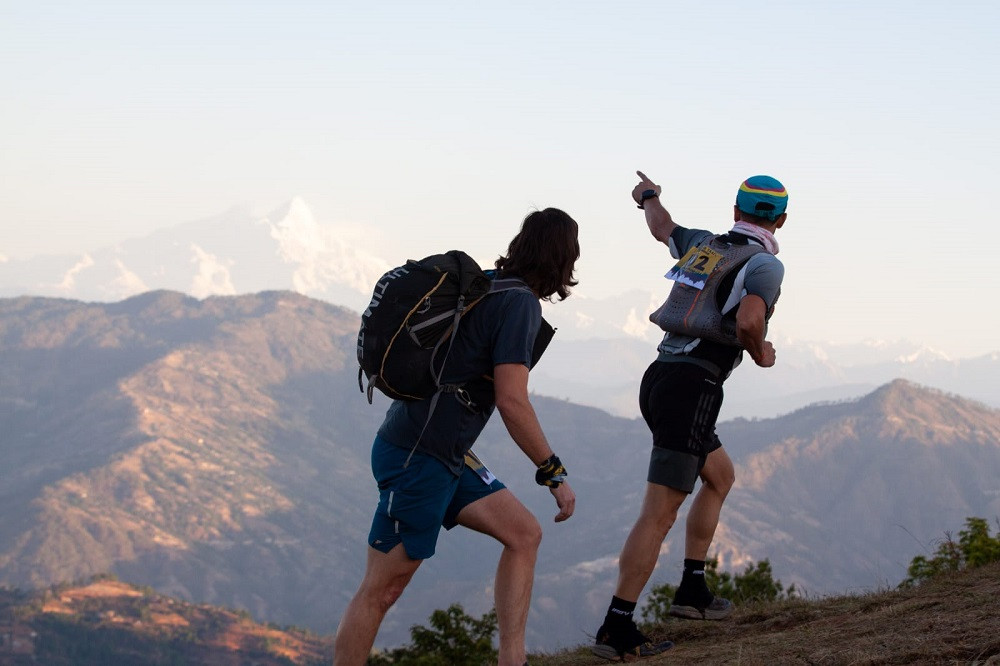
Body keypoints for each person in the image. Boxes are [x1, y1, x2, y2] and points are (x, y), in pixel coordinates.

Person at [335, 208, 580, 666]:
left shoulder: (486, 283)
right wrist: (553, 472)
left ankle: (514, 660)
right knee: (380, 591)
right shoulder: (519, 303)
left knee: (523, 534)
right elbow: (512, 401)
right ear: (563, 260)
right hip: (417, 457)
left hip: (442, 452)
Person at [592, 171, 788, 661]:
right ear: (782, 220)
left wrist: (648, 197)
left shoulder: (704, 243)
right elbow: (747, 320)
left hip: (659, 377)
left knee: (719, 476)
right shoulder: (763, 264)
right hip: (694, 385)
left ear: (736, 211)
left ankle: (692, 591)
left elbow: (663, 228)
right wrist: (761, 352)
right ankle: (616, 628)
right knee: (658, 513)